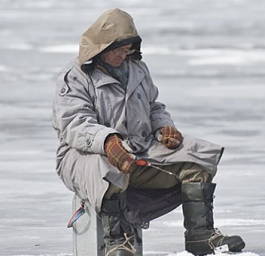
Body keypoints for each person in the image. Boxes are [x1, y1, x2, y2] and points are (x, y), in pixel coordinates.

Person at [52, 8, 245, 256]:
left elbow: (154, 106)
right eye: (117, 50)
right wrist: (108, 141)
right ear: (101, 47)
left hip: (139, 149)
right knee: (108, 167)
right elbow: (73, 123)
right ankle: (119, 241)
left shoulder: (137, 69)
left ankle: (200, 235)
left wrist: (163, 126)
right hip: (82, 156)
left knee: (196, 157)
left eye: (127, 50)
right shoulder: (75, 76)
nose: (123, 55)